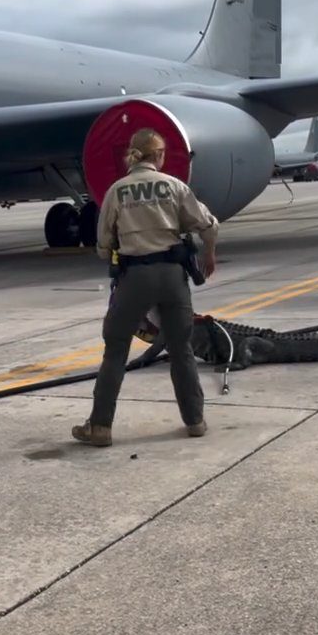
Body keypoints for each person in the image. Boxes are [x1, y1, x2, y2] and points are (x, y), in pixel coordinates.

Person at [72, 128, 220, 447]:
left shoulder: (117, 190)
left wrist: (119, 250)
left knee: (116, 348)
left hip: (134, 276)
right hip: (172, 276)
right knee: (181, 349)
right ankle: (194, 421)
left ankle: (100, 427)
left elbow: (102, 244)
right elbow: (208, 225)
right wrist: (208, 253)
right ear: (159, 156)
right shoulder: (174, 186)